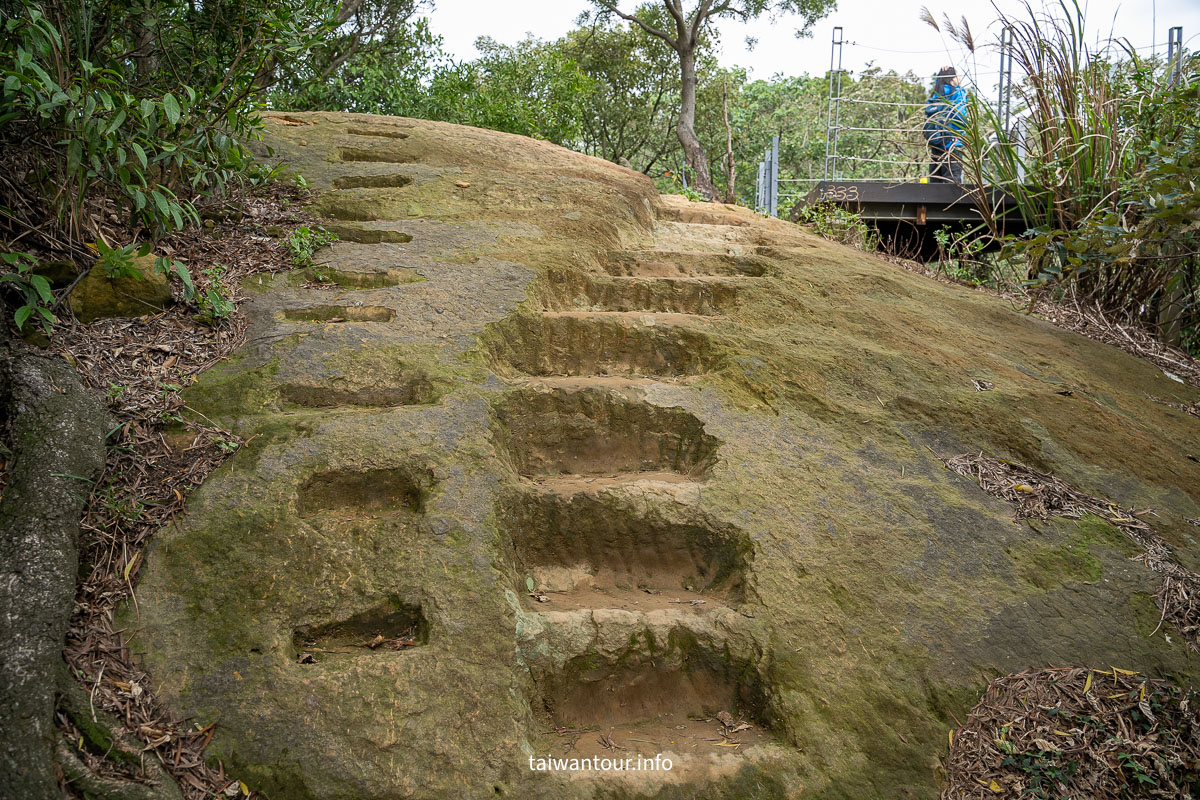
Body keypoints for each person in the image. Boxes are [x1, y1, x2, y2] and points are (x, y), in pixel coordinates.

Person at [923, 66, 969, 183]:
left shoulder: (936, 95)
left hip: (936, 145)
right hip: (952, 144)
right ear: (952, 79)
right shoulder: (958, 92)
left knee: (935, 184)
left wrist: (942, 73)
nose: (960, 79)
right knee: (952, 184)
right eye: (958, 76)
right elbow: (960, 116)